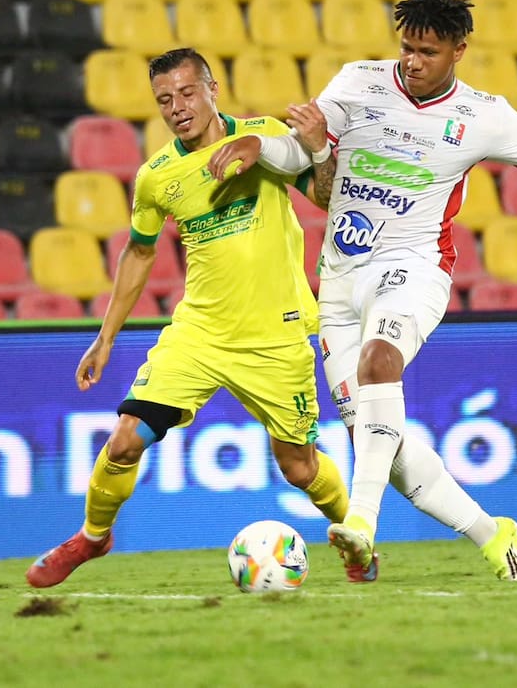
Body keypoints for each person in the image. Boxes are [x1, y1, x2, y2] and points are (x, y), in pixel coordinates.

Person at [207, 0, 517, 582]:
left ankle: (360, 523)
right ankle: (493, 535)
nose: (411, 61)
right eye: (406, 47)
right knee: (380, 440)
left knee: (379, 366)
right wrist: (262, 147)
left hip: (414, 271)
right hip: (337, 284)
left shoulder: (485, 115)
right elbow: (302, 152)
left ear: (459, 50)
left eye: (426, 51)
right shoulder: (359, 82)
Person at [26, 47, 353, 588]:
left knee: (299, 466)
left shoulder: (263, 136)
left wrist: (318, 151)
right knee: (126, 438)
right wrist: (105, 340)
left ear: (211, 89)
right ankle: (92, 536)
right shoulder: (157, 177)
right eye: (163, 99)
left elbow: (326, 197)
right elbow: (138, 252)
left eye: (186, 93)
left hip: (277, 334)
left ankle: (353, 534)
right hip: (199, 333)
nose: (176, 107)